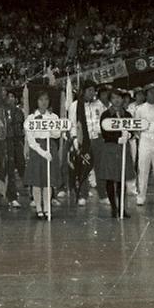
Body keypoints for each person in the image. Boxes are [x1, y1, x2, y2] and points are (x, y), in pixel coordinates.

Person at [24, 91, 62, 219]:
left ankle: (47, 208)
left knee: (48, 181)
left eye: (46, 99)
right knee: (36, 181)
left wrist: (49, 129)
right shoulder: (30, 118)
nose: (44, 102)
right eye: (41, 100)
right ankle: (39, 209)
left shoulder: (54, 117)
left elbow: (57, 134)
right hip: (37, 150)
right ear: (36, 101)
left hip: (50, 148)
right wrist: (42, 152)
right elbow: (30, 140)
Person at [98, 89, 134, 218]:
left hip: (123, 148)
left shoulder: (128, 115)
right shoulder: (105, 115)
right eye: (113, 98)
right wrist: (116, 138)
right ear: (110, 100)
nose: (117, 100)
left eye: (119, 97)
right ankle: (114, 207)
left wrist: (129, 135)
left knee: (121, 179)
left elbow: (133, 129)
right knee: (110, 178)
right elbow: (104, 133)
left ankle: (122, 208)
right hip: (111, 148)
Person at [69, 80, 103, 206]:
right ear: (83, 91)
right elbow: (72, 123)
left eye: (94, 90)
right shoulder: (75, 105)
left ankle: (103, 195)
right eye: (90, 90)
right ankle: (83, 195)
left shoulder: (98, 105)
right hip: (83, 140)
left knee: (100, 168)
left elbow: (102, 122)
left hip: (97, 139)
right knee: (84, 168)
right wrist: (75, 139)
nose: (92, 93)